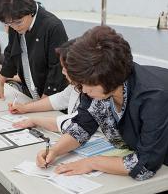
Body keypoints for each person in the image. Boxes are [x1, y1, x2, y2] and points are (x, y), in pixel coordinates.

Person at [36, 26, 168, 181]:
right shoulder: (95, 83)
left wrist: (93, 163)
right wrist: (55, 150)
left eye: (86, 84)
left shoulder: (153, 97)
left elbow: (145, 165)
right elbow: (82, 126)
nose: (83, 90)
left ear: (109, 78)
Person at [0, 0, 68, 100]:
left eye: (18, 22)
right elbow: (11, 52)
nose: (14, 27)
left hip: (53, 97)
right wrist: (0, 84)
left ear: (31, 12)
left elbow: (57, 67)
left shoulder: (53, 26)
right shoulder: (14, 22)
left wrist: (43, 102)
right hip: (30, 92)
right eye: (9, 24)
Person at [8, 40, 80, 133]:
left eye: (66, 68)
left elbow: (76, 122)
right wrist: (25, 108)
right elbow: (59, 99)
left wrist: (35, 120)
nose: (62, 72)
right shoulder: (75, 86)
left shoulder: (95, 92)